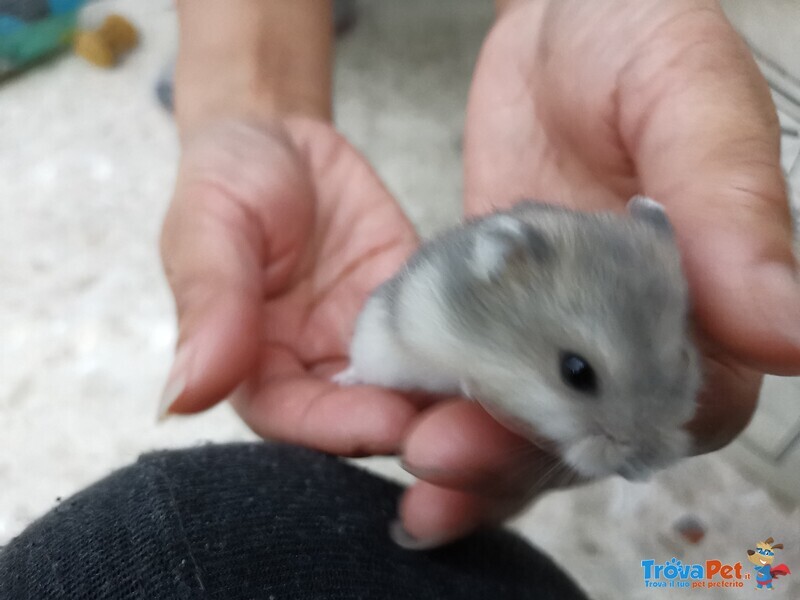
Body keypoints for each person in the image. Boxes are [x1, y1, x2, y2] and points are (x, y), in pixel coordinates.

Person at [3, 0, 798, 597]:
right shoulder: (478, 283)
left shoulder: (630, 270)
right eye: (579, 373)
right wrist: (245, 90)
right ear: (499, 273)